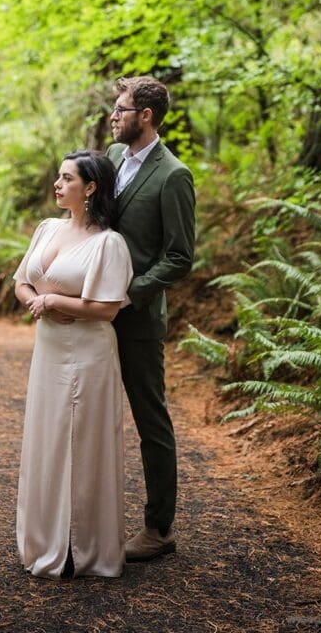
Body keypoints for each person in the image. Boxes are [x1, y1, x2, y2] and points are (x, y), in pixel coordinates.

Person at [14, 149, 133, 579]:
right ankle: (46, 542)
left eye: (67, 179)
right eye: (58, 177)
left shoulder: (109, 243)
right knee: (47, 437)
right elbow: (21, 282)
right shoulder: (47, 228)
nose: (57, 185)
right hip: (48, 348)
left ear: (91, 187)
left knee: (83, 442)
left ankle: (85, 548)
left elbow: (105, 309)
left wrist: (56, 300)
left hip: (88, 352)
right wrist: (39, 302)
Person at [106, 76, 195, 562]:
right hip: (91, 315)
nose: (113, 116)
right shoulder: (111, 157)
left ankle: (158, 528)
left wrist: (130, 293)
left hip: (137, 319)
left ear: (145, 115)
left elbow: (179, 256)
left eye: (121, 109)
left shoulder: (173, 175)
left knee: (150, 421)